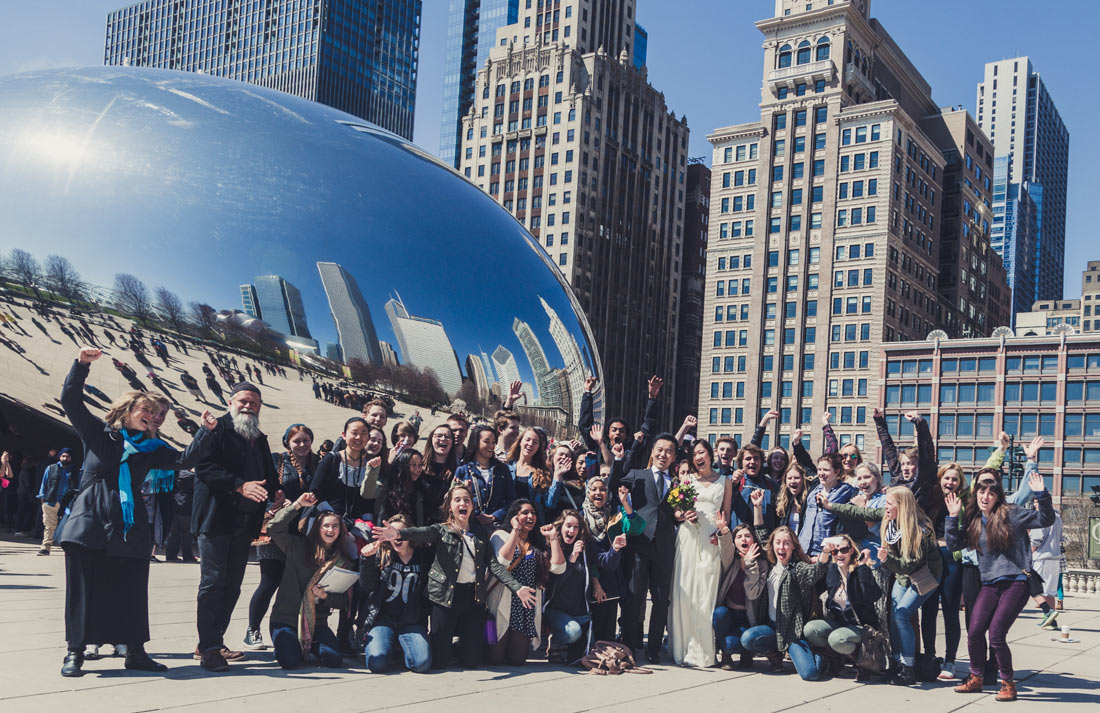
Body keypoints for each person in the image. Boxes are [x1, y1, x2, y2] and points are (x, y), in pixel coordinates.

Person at [56, 348, 217, 677]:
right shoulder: (102, 435)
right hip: (90, 520)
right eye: (147, 410)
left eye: (158, 414)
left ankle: (136, 652)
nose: (153, 417)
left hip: (130, 527)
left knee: (131, 590)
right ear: (127, 410)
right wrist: (82, 365)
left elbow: (184, 460)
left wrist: (205, 431)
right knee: (83, 590)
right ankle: (75, 652)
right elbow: (70, 400)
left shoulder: (154, 449)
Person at [373, 483, 534, 670]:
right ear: (450, 506)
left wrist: (517, 587)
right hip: (444, 598)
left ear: (472, 506)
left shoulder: (480, 533)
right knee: (439, 662)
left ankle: (460, 645)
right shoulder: (441, 530)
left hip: (472, 599)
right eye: (457, 500)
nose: (462, 503)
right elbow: (421, 533)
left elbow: (494, 566)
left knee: (472, 662)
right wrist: (399, 533)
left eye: (467, 500)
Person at [947, 436, 1054, 702]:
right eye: (981, 492)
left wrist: (1042, 494)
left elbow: (1045, 518)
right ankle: (976, 677)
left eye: (990, 492)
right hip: (990, 583)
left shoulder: (1011, 513)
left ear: (998, 495)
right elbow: (954, 544)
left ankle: (1008, 682)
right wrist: (952, 518)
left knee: (996, 634)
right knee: (974, 632)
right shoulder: (973, 518)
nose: (985, 496)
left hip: (1015, 582)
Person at [192, 382, 279, 672]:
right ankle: (209, 649)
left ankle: (212, 640)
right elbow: (203, 467)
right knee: (213, 582)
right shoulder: (216, 429)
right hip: (216, 520)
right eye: (242, 401)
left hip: (245, 524)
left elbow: (268, 475)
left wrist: (276, 493)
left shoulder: (259, 437)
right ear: (230, 402)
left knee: (232, 587)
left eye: (253, 403)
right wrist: (240, 485)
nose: (247, 406)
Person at [825, 485, 941, 685]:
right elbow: (861, 511)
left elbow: (909, 565)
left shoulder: (919, 530)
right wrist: (831, 506)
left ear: (902, 506)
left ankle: (908, 668)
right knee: (894, 616)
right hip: (902, 574)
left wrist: (886, 560)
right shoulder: (889, 519)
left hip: (925, 576)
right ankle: (896, 663)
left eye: (889, 503)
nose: (885, 507)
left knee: (903, 614)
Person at [266, 492, 354, 670]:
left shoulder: (342, 560)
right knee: (290, 661)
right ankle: (289, 646)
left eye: (335, 526)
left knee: (333, 659)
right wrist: (298, 504)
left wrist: (324, 596)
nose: (330, 530)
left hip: (317, 624)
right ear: (317, 528)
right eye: (326, 526)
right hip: (286, 620)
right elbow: (273, 527)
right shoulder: (298, 546)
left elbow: (343, 601)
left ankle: (308, 644)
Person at [612, 433, 679, 663]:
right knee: (634, 596)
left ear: (673, 457)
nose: (663, 454)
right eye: (659, 449)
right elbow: (615, 486)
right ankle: (630, 644)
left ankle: (653, 649)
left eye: (669, 451)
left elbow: (677, 514)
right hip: (639, 544)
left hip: (665, 547)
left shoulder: (679, 484)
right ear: (652, 452)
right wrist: (619, 461)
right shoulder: (637, 475)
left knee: (661, 599)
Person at [669, 439, 732, 667]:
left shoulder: (725, 481)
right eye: (694, 454)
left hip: (710, 540)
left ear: (710, 453)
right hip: (687, 537)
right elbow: (675, 511)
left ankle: (704, 651)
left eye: (702, 452)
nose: (698, 457)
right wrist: (683, 515)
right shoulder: (686, 480)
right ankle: (683, 648)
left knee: (705, 596)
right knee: (685, 593)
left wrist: (722, 533)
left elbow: (725, 513)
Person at [739, 525, 830, 680]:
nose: (781, 547)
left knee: (810, 674)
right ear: (772, 545)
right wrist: (758, 507)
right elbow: (761, 534)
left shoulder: (798, 569)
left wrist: (825, 553)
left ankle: (822, 658)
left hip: (793, 632)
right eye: (778, 542)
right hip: (773, 628)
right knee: (747, 639)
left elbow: (816, 572)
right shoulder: (770, 565)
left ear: (793, 546)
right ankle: (775, 654)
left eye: (786, 543)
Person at [487, 500, 566, 665]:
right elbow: (502, 562)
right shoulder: (500, 536)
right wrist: (515, 530)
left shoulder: (537, 542)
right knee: (493, 658)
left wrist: (553, 538)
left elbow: (558, 568)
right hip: (500, 604)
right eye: (525, 513)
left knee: (517, 659)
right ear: (514, 516)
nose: (530, 516)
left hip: (525, 608)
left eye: (533, 513)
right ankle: (465, 647)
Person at [802, 533, 883, 680]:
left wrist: (863, 566)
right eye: (835, 552)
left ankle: (862, 662)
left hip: (862, 627)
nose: (839, 554)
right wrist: (824, 555)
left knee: (836, 639)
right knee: (811, 629)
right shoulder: (832, 571)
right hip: (841, 625)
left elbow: (872, 595)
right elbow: (812, 583)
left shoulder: (859, 571)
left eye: (843, 550)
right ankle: (836, 658)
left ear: (851, 550)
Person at [359, 514, 432, 673]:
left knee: (422, 664)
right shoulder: (382, 554)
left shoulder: (423, 556)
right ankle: (389, 643)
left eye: (401, 533)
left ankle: (401, 644)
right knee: (377, 664)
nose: (397, 538)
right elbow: (367, 586)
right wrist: (367, 560)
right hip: (383, 619)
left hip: (411, 621)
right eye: (391, 533)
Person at [544, 509, 613, 663]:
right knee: (573, 632)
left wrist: (597, 585)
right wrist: (572, 559)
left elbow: (593, 566)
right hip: (557, 610)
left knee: (591, 653)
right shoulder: (552, 548)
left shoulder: (584, 548)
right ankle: (555, 640)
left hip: (580, 612)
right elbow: (557, 581)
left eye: (576, 527)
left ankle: (565, 649)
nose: (571, 531)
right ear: (560, 527)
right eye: (568, 526)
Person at [581, 476, 640, 642]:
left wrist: (625, 503)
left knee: (608, 630)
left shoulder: (615, 515)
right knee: (593, 628)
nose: (598, 492)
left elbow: (636, 527)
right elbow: (586, 557)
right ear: (587, 492)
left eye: (603, 489)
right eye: (594, 489)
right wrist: (595, 584)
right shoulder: (581, 517)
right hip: (591, 579)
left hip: (612, 577)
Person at [712, 521, 765, 670]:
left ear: (754, 540)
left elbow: (752, 593)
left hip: (747, 618)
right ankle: (726, 654)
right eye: (739, 537)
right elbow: (726, 549)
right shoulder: (731, 561)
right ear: (734, 542)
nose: (744, 539)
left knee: (736, 643)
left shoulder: (762, 565)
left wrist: (750, 564)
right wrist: (724, 531)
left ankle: (746, 652)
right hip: (729, 614)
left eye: (748, 536)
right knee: (719, 614)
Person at [310, 418, 384, 523]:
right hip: (327, 523)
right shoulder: (332, 459)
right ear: (344, 435)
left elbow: (367, 502)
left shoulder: (369, 466)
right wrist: (334, 518)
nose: (358, 437)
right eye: (354, 433)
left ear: (368, 438)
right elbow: (315, 491)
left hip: (356, 526)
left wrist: (368, 523)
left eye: (363, 434)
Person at [454, 425, 515, 527]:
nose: (491, 446)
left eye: (493, 442)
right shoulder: (463, 470)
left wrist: (494, 516)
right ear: (476, 442)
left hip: (497, 526)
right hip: (469, 526)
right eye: (486, 441)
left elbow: (511, 499)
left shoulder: (503, 469)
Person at [799, 453, 856, 558]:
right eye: (819, 469)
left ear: (837, 471)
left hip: (826, 554)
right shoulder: (814, 490)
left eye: (825, 470)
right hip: (803, 551)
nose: (821, 473)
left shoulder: (847, 492)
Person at [37, 448, 79, 556]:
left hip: (68, 503)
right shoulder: (51, 468)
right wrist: (42, 498)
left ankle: (67, 548)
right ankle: (46, 547)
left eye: (68, 456)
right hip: (51, 501)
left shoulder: (75, 470)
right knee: (49, 526)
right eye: (63, 456)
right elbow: (44, 483)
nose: (65, 458)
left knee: (67, 526)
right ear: (59, 457)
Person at [1029, 502, 1064, 630]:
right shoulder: (1058, 518)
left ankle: (1047, 613)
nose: (1035, 504)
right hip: (1055, 557)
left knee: (1035, 588)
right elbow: (1061, 538)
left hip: (1041, 557)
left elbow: (1035, 540)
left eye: (1038, 502)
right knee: (1050, 592)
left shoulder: (1041, 517)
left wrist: (1028, 554)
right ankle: (1051, 620)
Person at [774, 462, 813, 537]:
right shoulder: (780, 501)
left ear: (803, 480)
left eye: (797, 478)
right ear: (785, 481)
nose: (793, 481)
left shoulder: (809, 500)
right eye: (789, 478)